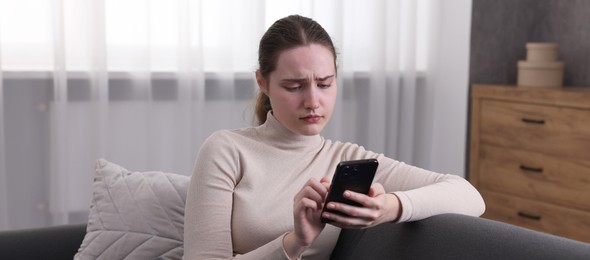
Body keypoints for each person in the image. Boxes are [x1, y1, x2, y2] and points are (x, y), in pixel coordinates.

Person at [183, 14, 485, 260]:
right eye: (294, 86)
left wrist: (387, 207)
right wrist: (294, 242)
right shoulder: (227, 150)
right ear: (263, 82)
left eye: (325, 84)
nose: (313, 101)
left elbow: (469, 196)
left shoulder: (347, 159)